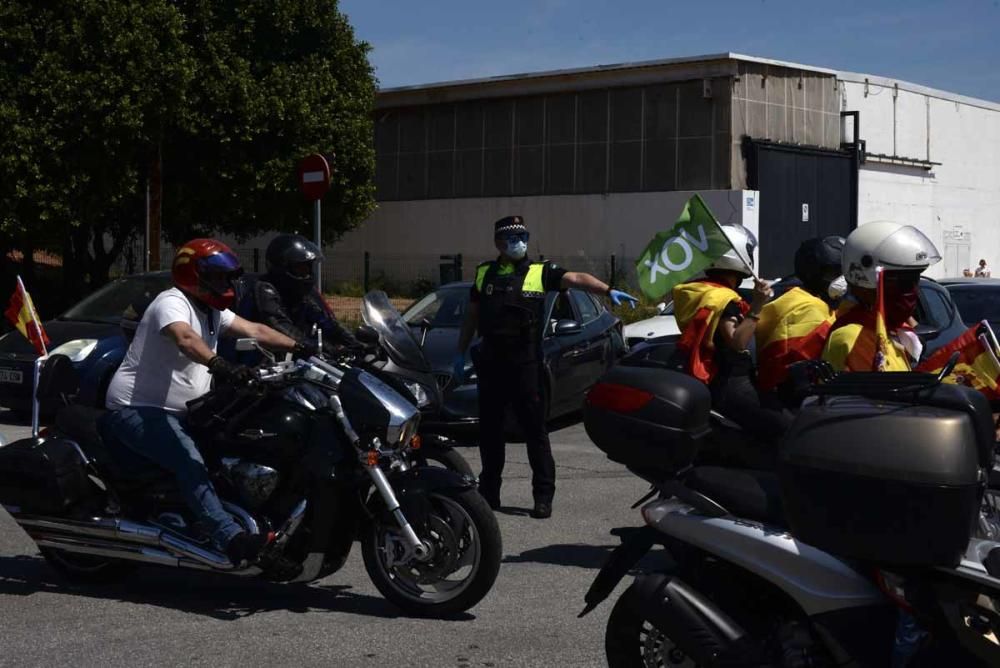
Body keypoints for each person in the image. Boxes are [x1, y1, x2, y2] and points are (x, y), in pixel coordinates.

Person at [100, 239, 306, 565]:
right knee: (188, 460)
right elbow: (185, 339)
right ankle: (232, 539)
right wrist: (219, 365)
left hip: (187, 413)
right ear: (194, 274)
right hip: (137, 410)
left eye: (228, 278)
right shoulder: (172, 302)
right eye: (219, 277)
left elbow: (254, 329)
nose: (226, 284)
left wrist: (303, 348)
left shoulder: (212, 311)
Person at [455, 215, 637, 519]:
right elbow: (472, 316)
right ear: (499, 243)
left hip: (525, 364)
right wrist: (460, 353)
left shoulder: (541, 271)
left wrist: (608, 290)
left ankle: (542, 496)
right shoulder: (484, 273)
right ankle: (489, 494)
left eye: (523, 237)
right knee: (490, 434)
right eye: (513, 239)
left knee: (535, 432)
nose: (520, 243)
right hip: (492, 363)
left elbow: (577, 278)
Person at [669, 225, 791, 446]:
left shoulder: (701, 292)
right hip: (731, 381)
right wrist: (757, 304)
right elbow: (737, 342)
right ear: (738, 255)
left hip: (720, 379)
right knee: (787, 427)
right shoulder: (723, 299)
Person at [822, 222, 941, 372]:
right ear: (865, 279)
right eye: (902, 282)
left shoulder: (892, 334)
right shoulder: (853, 338)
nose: (912, 291)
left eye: (915, 280)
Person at [234, 234, 359, 359]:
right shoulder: (265, 289)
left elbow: (326, 322)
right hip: (262, 363)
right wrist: (317, 346)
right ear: (281, 267)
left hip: (292, 360)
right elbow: (279, 324)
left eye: (308, 268)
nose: (307, 274)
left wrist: (356, 344)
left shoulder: (299, 294)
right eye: (301, 269)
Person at [755, 236, 845, 405]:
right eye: (834, 273)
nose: (841, 280)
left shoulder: (794, 292)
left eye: (843, 273)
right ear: (812, 271)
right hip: (787, 395)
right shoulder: (806, 306)